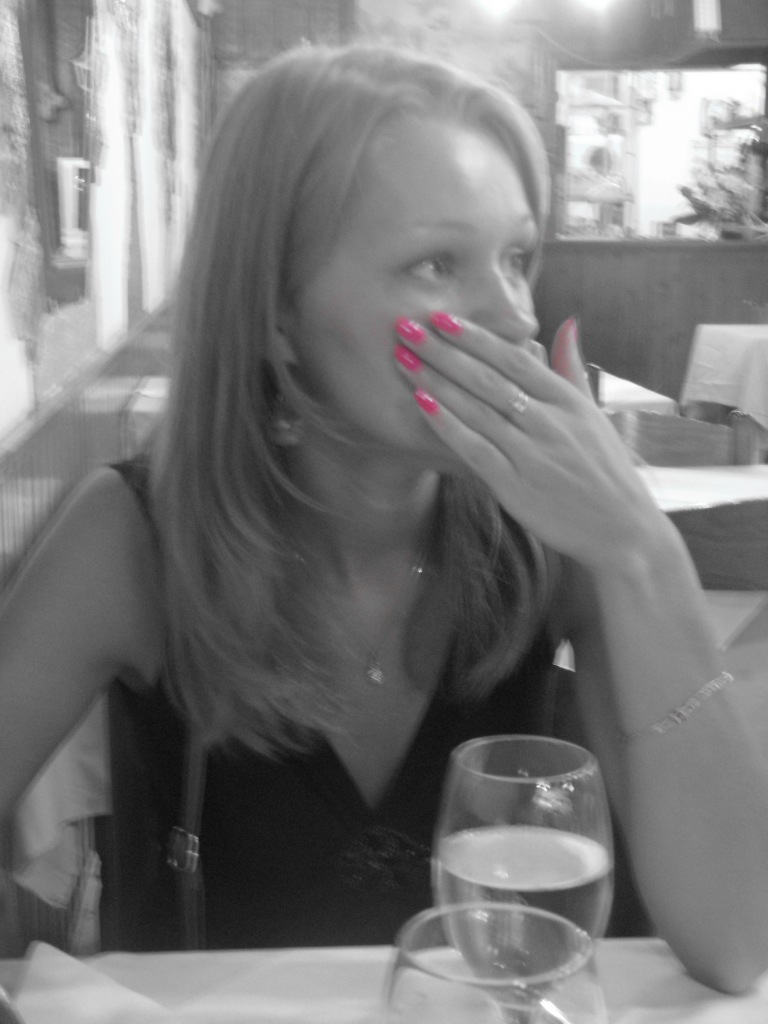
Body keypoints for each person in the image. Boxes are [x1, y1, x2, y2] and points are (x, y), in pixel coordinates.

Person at [1, 43, 767, 990]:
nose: (517, 320)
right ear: (276, 311)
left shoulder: (552, 535)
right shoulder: (130, 537)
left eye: (517, 259)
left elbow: (737, 943)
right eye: (438, 264)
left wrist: (641, 550)